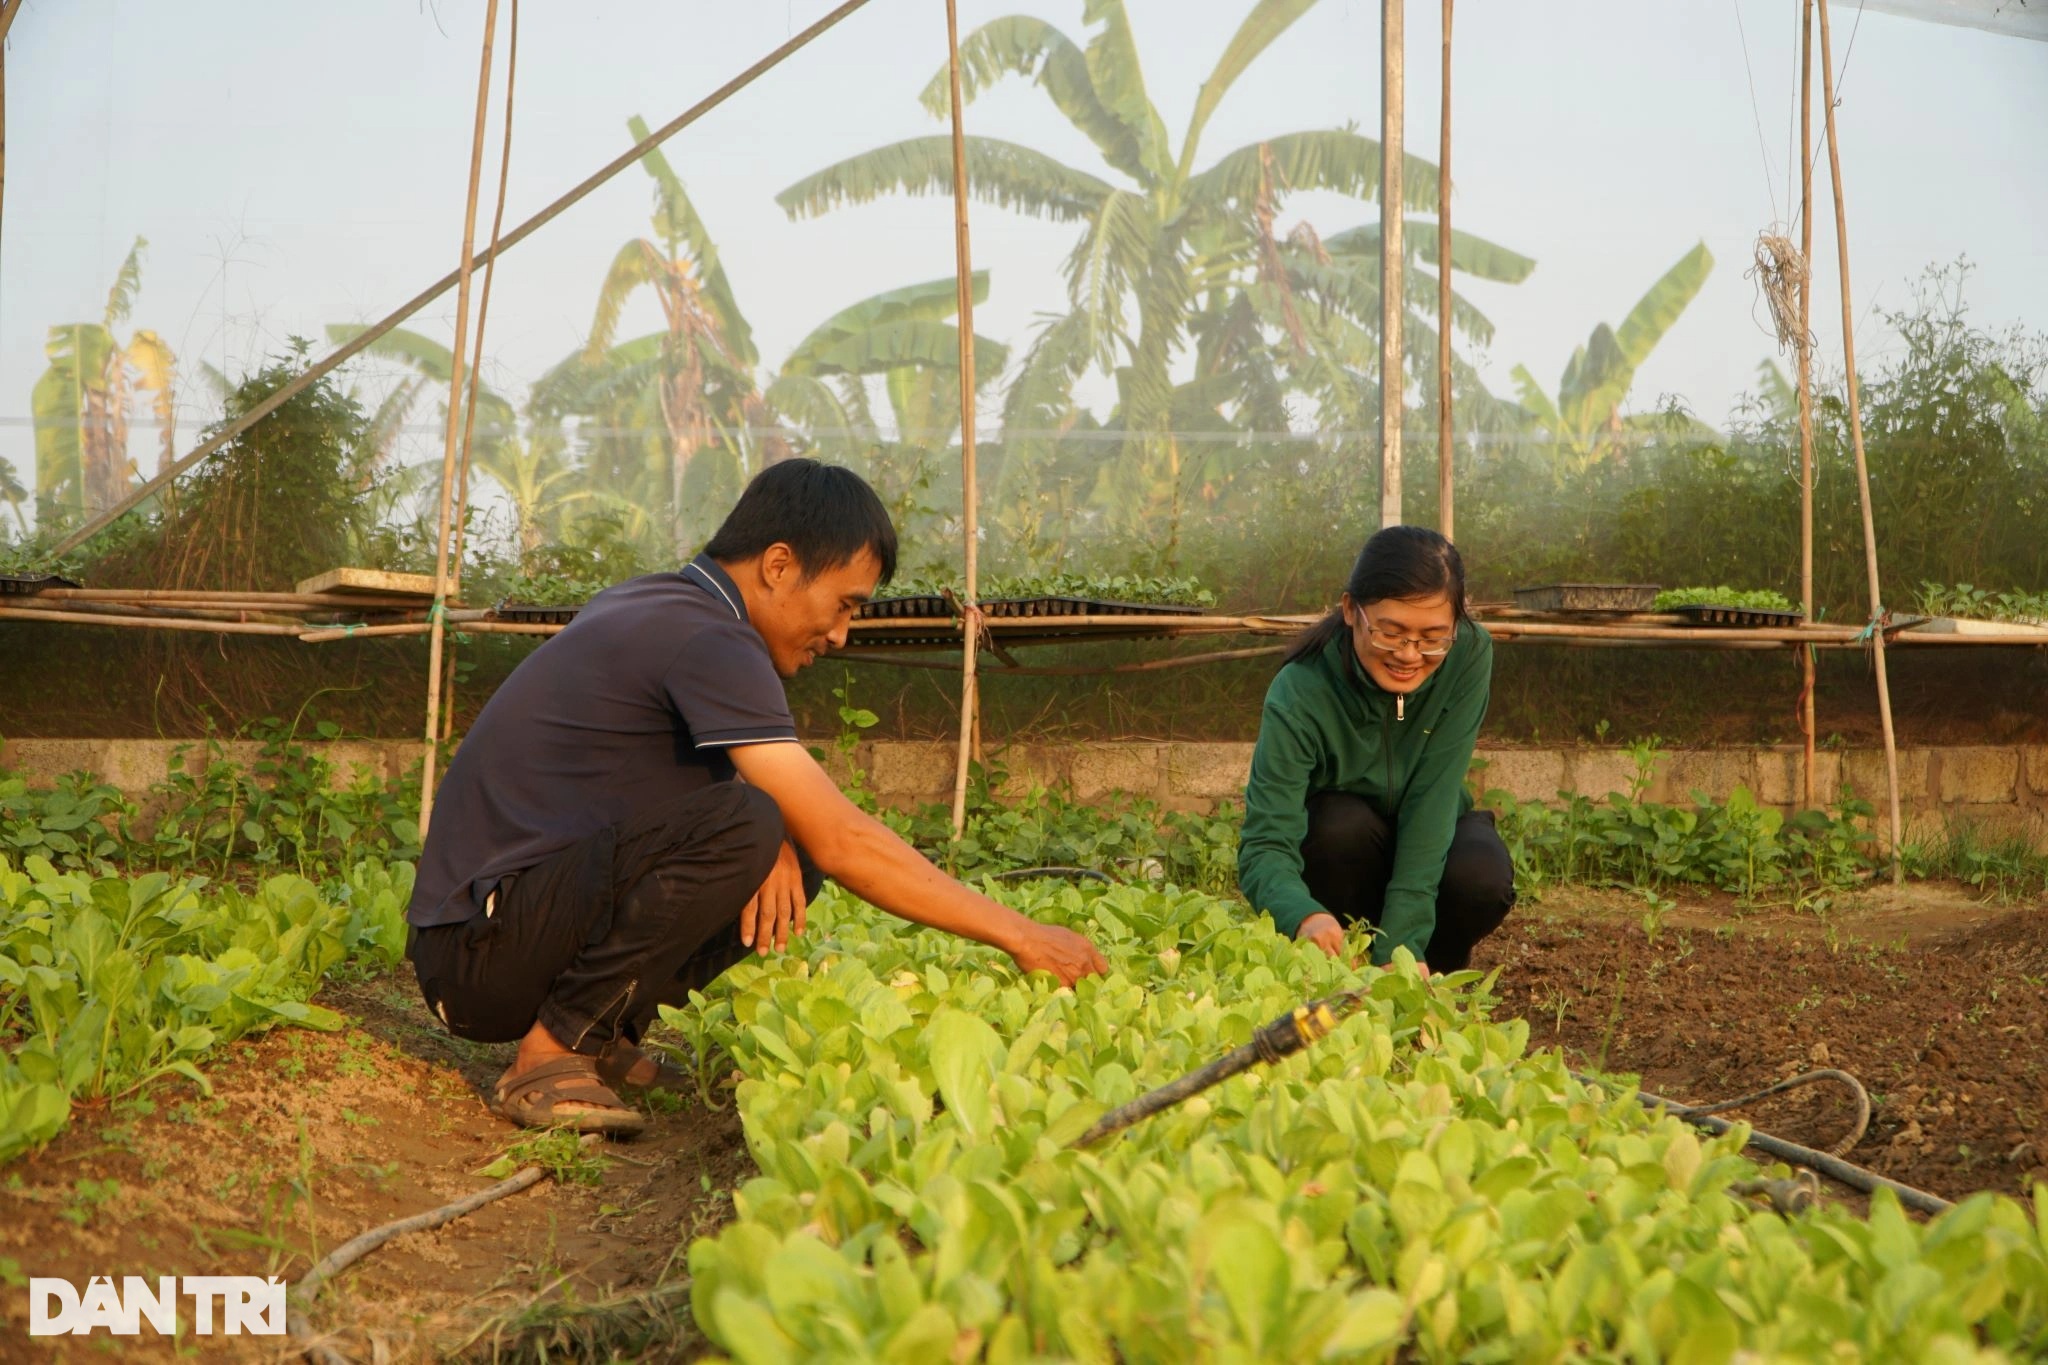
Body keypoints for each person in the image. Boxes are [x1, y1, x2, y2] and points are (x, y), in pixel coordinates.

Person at [406, 460, 1107, 1134]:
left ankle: (604, 1033)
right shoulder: (712, 637)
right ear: (777, 566)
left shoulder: (662, 601)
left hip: (486, 933)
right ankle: (552, 1051)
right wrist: (1022, 933)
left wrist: (771, 836)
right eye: (842, 604)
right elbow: (845, 838)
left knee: (783, 840)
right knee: (766, 826)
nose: (840, 634)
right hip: (479, 951)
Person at [1237, 526, 1514, 975]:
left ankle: (1430, 972)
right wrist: (1301, 914)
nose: (1409, 654)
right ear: (1351, 611)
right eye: (1391, 632)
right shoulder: (1301, 688)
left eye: (1432, 638)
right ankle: (1341, 962)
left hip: (1430, 823)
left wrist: (1401, 953)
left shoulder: (1469, 654)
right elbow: (1265, 843)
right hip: (1344, 852)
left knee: (1480, 875)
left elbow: (1433, 799)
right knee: (1337, 828)